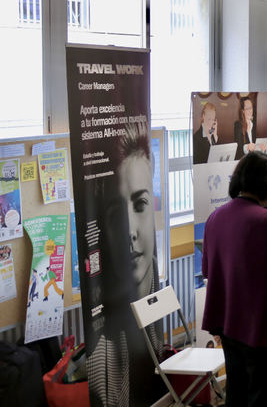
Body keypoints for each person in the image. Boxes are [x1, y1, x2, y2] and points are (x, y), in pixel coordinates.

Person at [201, 151, 267, 406]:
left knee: (237, 394)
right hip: (264, 330)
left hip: (230, 327)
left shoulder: (216, 217)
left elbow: (208, 270)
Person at [88, 122, 163, 407]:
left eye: (140, 204)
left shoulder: (154, 281)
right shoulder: (102, 358)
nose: (130, 231)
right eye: (116, 212)